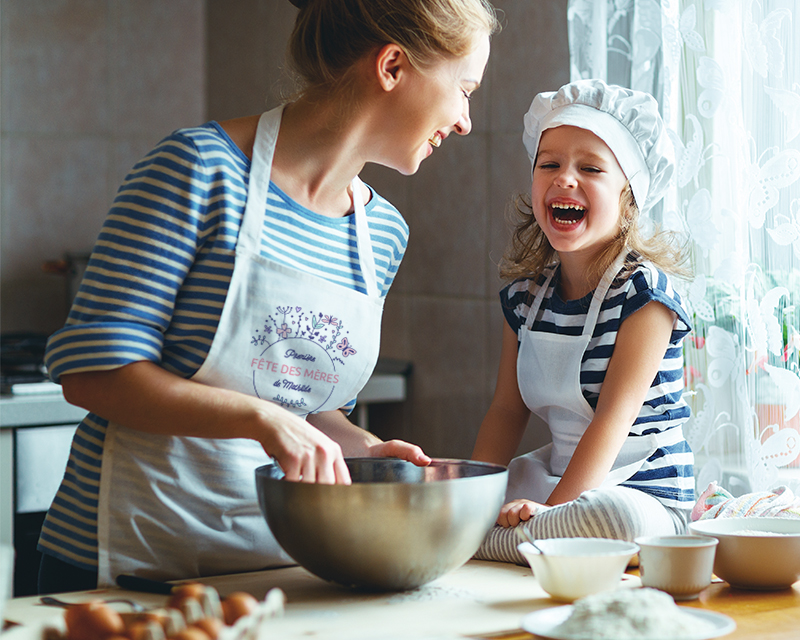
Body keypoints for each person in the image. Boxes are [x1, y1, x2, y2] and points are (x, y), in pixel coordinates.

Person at [38, 0, 499, 593]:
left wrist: (360, 447)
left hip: (283, 575)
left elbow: (298, 400)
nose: (465, 120)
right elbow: (93, 374)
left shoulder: (382, 234)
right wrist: (264, 421)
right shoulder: (198, 170)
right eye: (464, 89)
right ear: (391, 66)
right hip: (129, 567)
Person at [471, 79, 695, 565]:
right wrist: (471, 498)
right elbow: (506, 412)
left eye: (590, 167)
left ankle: (496, 544)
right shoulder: (526, 298)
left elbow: (613, 420)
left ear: (629, 197)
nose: (564, 178)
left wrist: (551, 514)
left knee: (612, 521)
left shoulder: (645, 295)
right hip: (560, 481)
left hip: (643, 497)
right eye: (548, 164)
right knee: (461, 492)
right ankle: (508, 537)